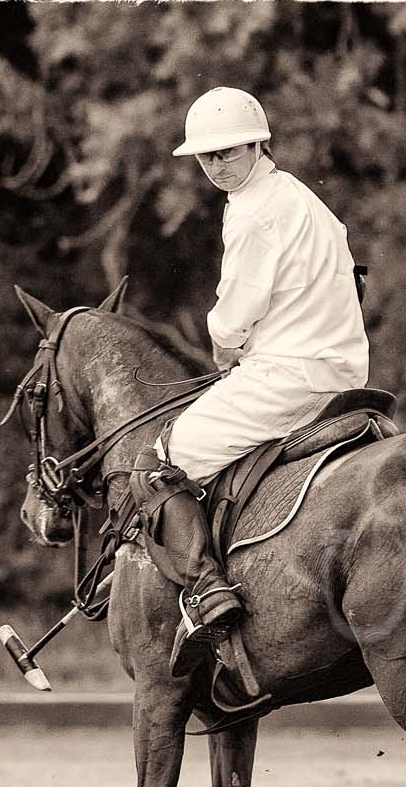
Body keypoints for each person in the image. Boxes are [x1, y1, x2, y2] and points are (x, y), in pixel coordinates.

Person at [134, 86, 371, 677]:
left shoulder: (253, 211)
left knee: (160, 458)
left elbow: (235, 315)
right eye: (207, 156)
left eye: (229, 152)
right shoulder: (300, 195)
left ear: (258, 144)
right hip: (342, 370)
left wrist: (224, 348)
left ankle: (207, 591)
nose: (217, 165)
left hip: (287, 374)